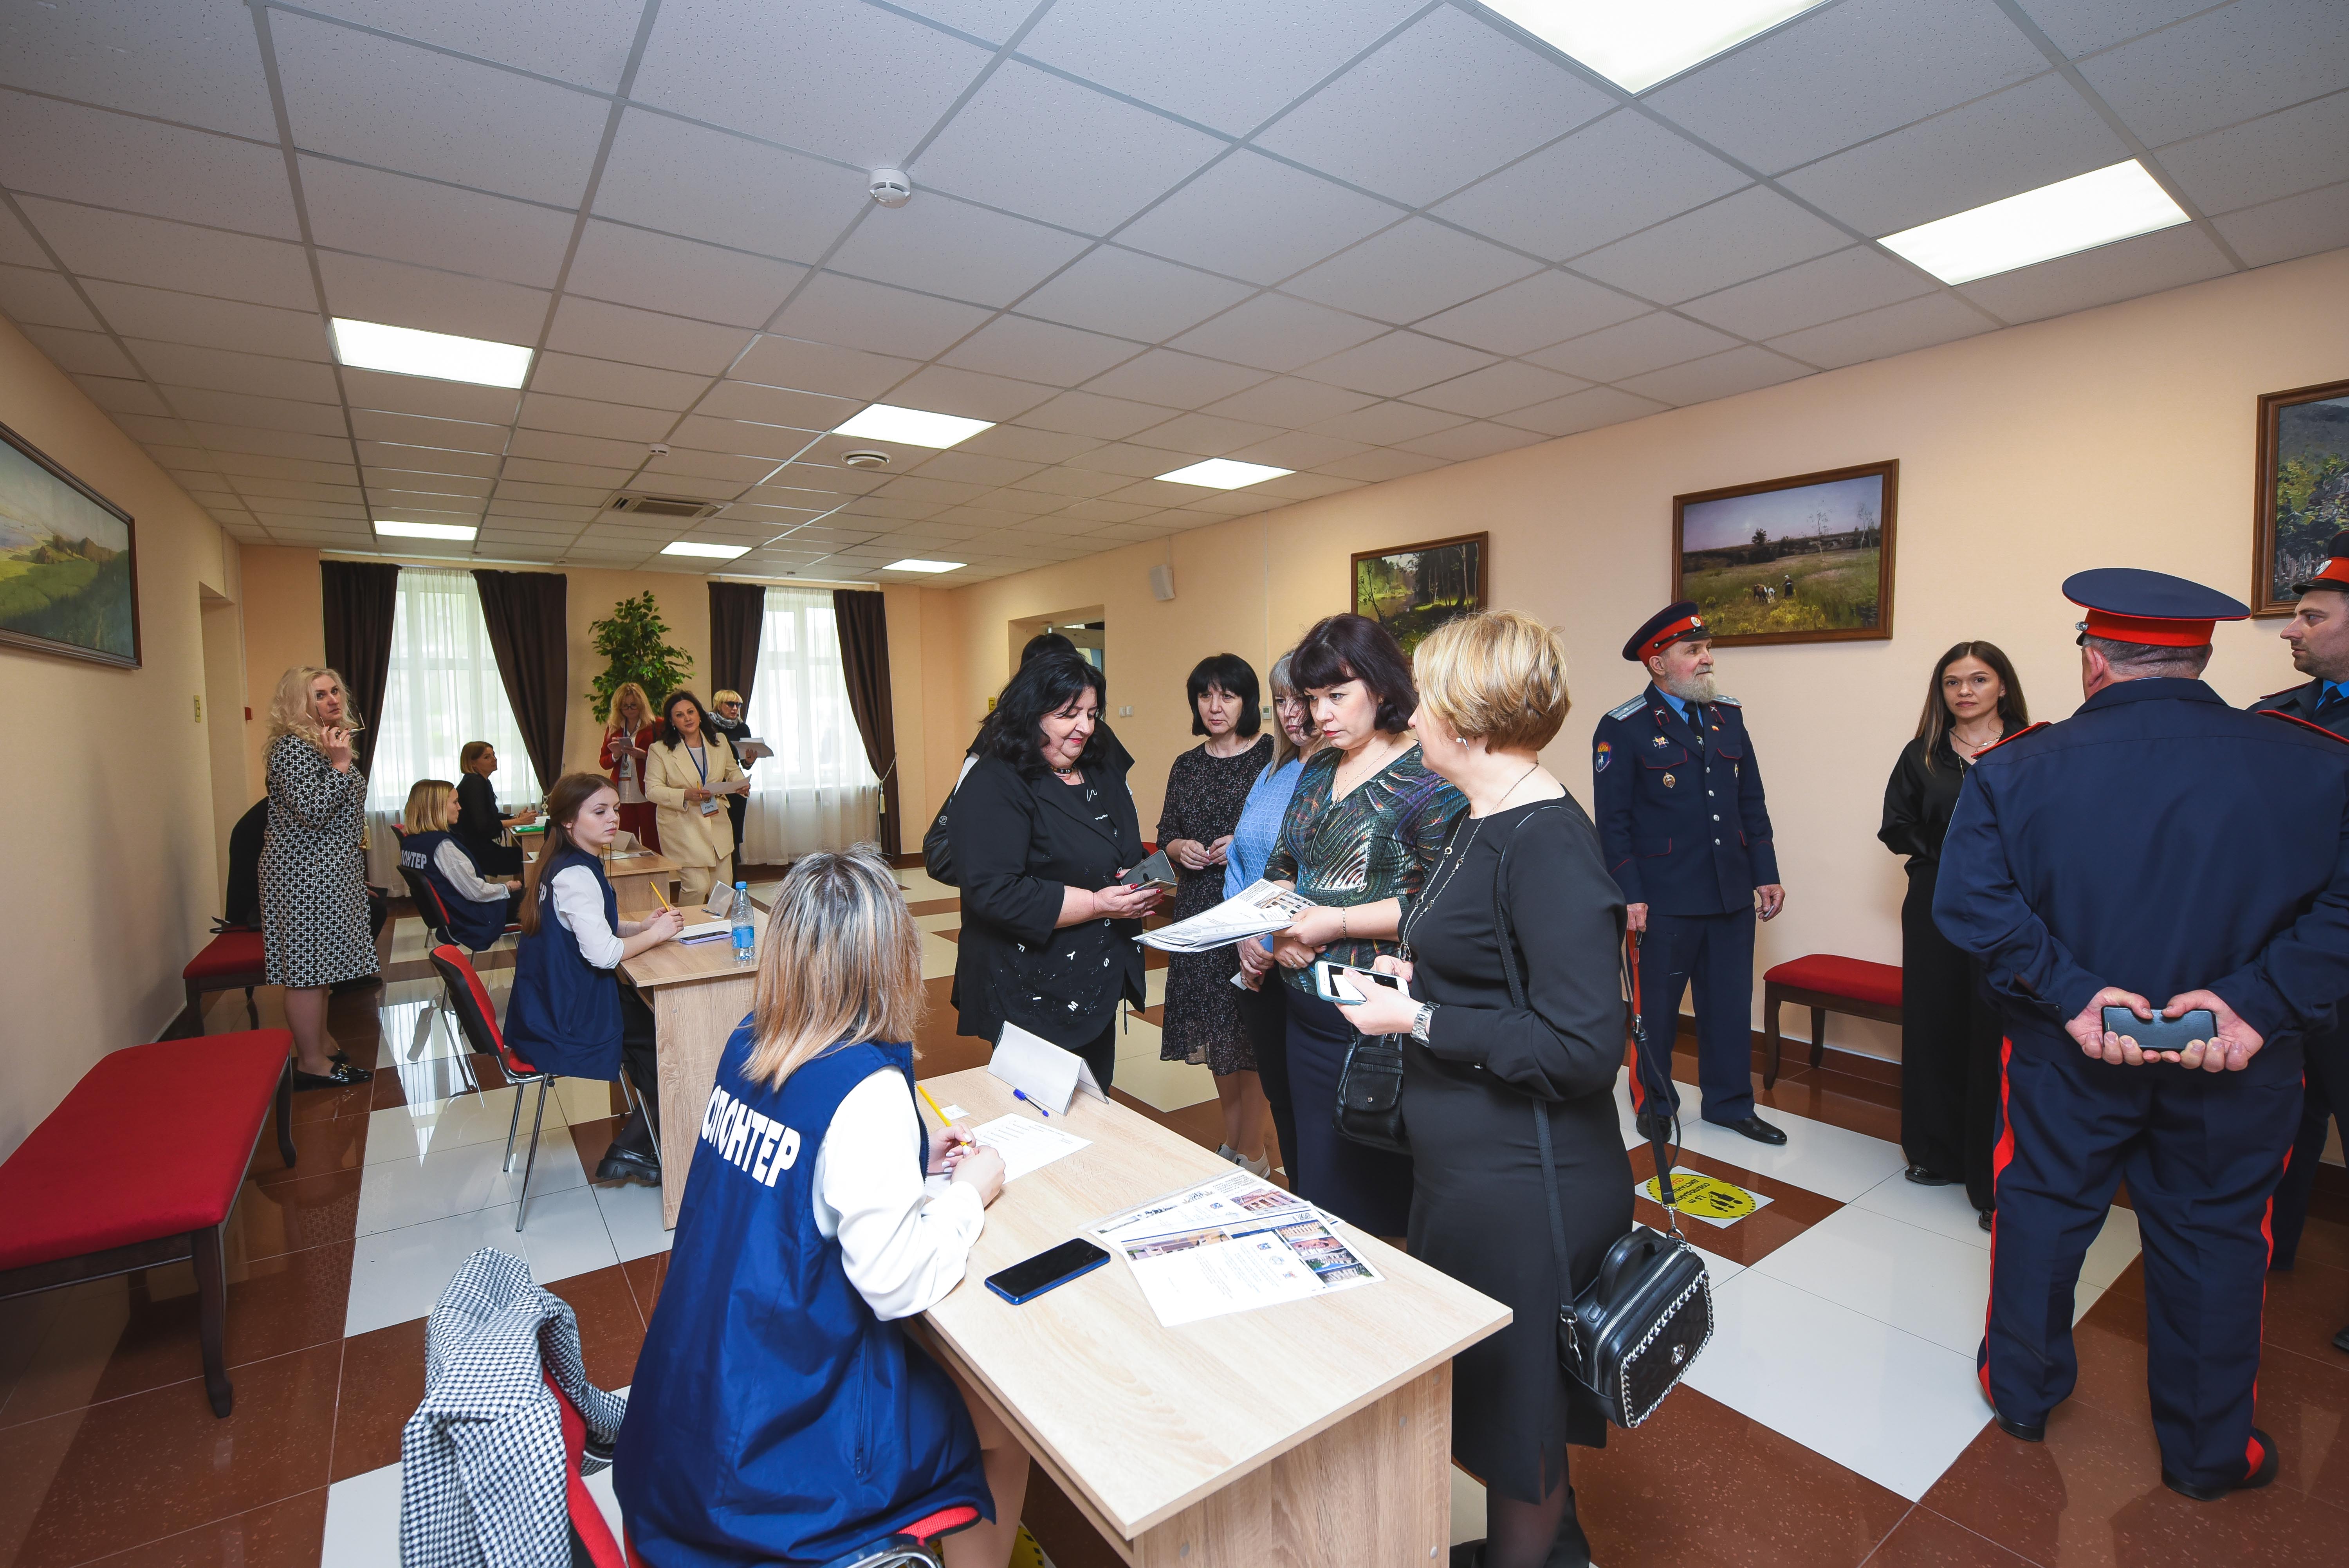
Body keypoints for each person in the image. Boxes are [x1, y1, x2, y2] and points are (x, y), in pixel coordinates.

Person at [1934, 567, 2349, 1499]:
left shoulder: (2016, 766)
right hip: (2236, 1063)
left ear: (2095, 660)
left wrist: (2076, 995)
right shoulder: (2317, 760)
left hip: (2065, 1055)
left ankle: (2023, 1394)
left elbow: (1972, 904)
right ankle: (2208, 1452)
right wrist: (2257, 1002)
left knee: (2042, 1217)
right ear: (2200, 655)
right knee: (2217, 1240)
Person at [615, 848, 1025, 1568]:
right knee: (1004, 1429)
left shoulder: (751, 1043)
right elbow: (895, 1281)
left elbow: (796, 1170)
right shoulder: (866, 1087)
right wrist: (970, 1191)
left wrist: (908, 1156)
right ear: (891, 958)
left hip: (688, 1417)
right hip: (764, 1467)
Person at [1328, 612, 1628, 1568]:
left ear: (1468, 720)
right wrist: (1422, 982)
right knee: (1504, 1391)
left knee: (1519, 1415)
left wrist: (1419, 1018)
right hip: (1471, 1165)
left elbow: (1584, 1045)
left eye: (1425, 701)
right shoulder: (1481, 817)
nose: (1411, 716)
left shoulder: (1548, 842)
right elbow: (1495, 968)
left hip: (1529, 1181)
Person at [1265, 614, 1465, 1236]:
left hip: (1377, 1012)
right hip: (1304, 1007)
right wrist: (1279, 929)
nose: (1319, 715)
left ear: (1380, 686)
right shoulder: (1320, 765)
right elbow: (1283, 863)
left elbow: (1443, 903)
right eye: (1311, 699)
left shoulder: (1429, 776)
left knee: (1378, 1197)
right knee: (1317, 1180)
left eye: (1336, 695)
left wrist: (1333, 924)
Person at [1591, 603, 1786, 1146]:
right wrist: (1630, 894)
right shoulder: (1623, 726)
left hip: (1729, 889)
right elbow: (1614, 822)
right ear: (1658, 663)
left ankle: (1730, 1104)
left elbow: (1751, 801)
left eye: (1706, 649)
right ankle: (1655, 1102)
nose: (1707, 659)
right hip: (1663, 897)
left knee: (1729, 1006)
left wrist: (1765, 872)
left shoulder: (1728, 716)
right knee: (1655, 1009)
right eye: (1693, 651)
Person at [951, 652, 1162, 1090]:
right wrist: (1097, 903)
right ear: (1031, 713)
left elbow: (1120, 846)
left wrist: (1134, 881)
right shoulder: (996, 782)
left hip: (1095, 977)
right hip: (1029, 983)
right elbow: (995, 891)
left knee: (1092, 1101)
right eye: (1068, 714)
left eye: (1091, 714)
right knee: (1039, 1112)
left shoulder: (1098, 768)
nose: (1084, 727)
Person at [1880, 642, 2030, 1227]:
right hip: (1934, 905)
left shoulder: (2031, 748)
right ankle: (1935, 1153)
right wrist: (1953, 851)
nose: (1964, 691)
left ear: (2003, 686)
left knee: (1996, 1032)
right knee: (1935, 1024)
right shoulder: (1922, 754)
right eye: (1952, 682)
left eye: (1979, 679)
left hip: (2008, 909)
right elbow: (1896, 827)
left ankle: (1993, 1172)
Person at [2248, 530, 2349, 1354]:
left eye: (2312, 616)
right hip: (2280, 964)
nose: (2291, 628)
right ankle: (2267, 1250)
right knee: (2284, 1115)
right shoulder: (2273, 717)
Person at [505, 772, 686, 1187]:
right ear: (569, 820)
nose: (613, 819)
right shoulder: (576, 874)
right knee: (674, 1044)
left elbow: (593, 926)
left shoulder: (563, 861)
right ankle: (638, 1145)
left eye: (615, 810)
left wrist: (640, 927)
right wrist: (657, 935)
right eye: (600, 811)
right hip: (568, 1017)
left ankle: (643, 1141)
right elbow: (603, 954)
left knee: (655, 1034)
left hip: (549, 1005)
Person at [1156, 654, 1276, 1173]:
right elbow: (1166, 832)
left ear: (1247, 701)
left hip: (1250, 907)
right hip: (1198, 908)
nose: (1215, 705)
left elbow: (1289, 830)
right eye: (1205, 695)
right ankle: (1238, 1143)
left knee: (1250, 1033)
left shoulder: (1272, 756)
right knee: (1215, 1030)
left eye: (1227, 695)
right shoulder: (1187, 764)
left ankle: (1252, 1150)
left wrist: (1243, 843)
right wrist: (1180, 848)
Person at [1230, 653, 1323, 1188]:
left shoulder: (1338, 773)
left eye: (1302, 699)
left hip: (1305, 958)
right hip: (1254, 959)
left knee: (1316, 1106)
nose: (1291, 713)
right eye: (1281, 701)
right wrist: (1245, 935)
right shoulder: (1272, 772)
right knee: (1281, 1096)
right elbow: (1240, 860)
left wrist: (1269, 939)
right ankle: (1301, 1196)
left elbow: (1320, 875)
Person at [259, 667, 376, 1088]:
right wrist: (341, 766)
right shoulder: (291, 748)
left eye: (335, 691)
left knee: (320, 967)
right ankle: (310, 1062)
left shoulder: (321, 744)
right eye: (320, 695)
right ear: (299, 704)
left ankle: (322, 1043)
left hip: (329, 871)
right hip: (303, 875)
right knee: (307, 971)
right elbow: (313, 811)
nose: (333, 700)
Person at [644, 690, 747, 902]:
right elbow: (652, 790)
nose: (687, 718)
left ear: (700, 714)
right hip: (683, 826)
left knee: (723, 889)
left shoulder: (719, 741)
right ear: (672, 722)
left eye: (691, 712)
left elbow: (732, 770)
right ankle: (688, 924)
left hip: (716, 820)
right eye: (680, 715)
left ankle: (717, 924)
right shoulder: (659, 750)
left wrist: (741, 784)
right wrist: (686, 794)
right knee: (697, 887)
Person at [399, 779, 523, 948]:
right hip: (475, 918)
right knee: (538, 898)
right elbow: (477, 892)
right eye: (455, 802)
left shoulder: (410, 843)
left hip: (453, 916)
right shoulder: (443, 847)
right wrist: (507, 888)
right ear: (437, 807)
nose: (460, 808)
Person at [452, 740, 532, 877]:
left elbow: (490, 815)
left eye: (494, 755)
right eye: (487, 757)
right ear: (473, 763)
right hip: (473, 850)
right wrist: (518, 822)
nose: (494, 759)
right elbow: (483, 826)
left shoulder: (481, 781)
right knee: (528, 856)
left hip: (476, 846)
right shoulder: (475, 783)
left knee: (524, 854)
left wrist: (514, 818)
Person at [601, 682, 662, 852]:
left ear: (642, 704)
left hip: (646, 792)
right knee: (625, 845)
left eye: (633, 705)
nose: (629, 710)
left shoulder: (656, 725)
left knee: (653, 842)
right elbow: (604, 762)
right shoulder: (614, 728)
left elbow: (667, 758)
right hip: (622, 794)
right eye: (624, 706)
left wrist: (644, 755)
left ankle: (656, 870)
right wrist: (616, 755)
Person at [705, 689, 757, 856]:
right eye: (730, 704)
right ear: (719, 705)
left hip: (735, 786)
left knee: (734, 836)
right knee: (714, 835)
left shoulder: (743, 728)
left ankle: (734, 872)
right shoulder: (707, 726)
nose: (735, 708)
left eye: (739, 705)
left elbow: (744, 764)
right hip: (713, 784)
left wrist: (749, 761)